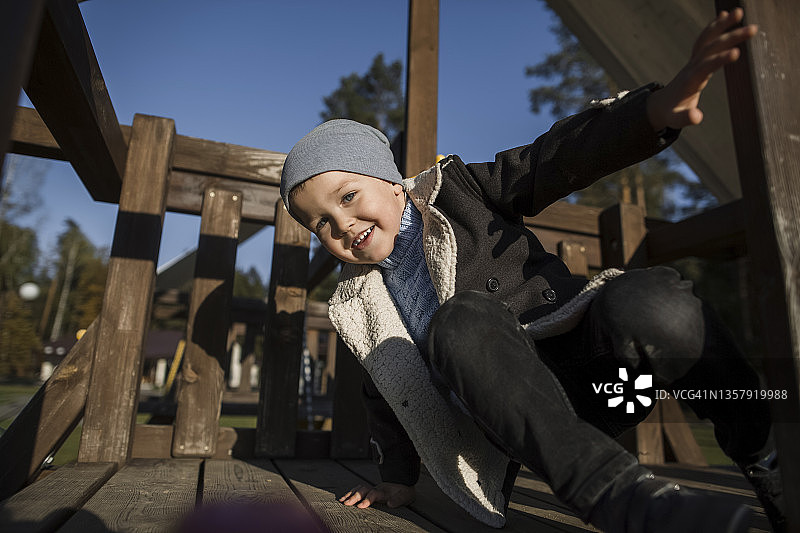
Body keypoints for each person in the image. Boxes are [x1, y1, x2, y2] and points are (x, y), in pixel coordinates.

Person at [280, 9, 784, 533]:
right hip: (523, 417)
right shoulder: (364, 304)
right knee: (460, 322)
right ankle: (616, 495)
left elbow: (550, 161)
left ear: (390, 180)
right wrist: (398, 478)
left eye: (348, 196)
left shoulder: (460, 191)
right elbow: (387, 389)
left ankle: (769, 454)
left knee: (654, 305)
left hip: (601, 375)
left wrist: (654, 111)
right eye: (320, 223)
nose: (342, 224)